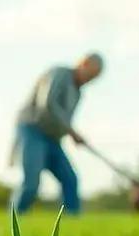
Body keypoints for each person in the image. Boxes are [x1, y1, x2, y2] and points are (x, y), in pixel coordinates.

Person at [10, 52, 103, 214]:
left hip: (52, 138)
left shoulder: (78, 93)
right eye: (91, 75)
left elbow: (64, 121)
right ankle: (15, 218)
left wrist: (71, 134)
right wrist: (72, 131)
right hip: (32, 129)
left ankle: (72, 222)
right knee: (31, 183)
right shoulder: (60, 73)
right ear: (84, 63)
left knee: (70, 179)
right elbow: (47, 104)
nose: (90, 80)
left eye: (94, 78)